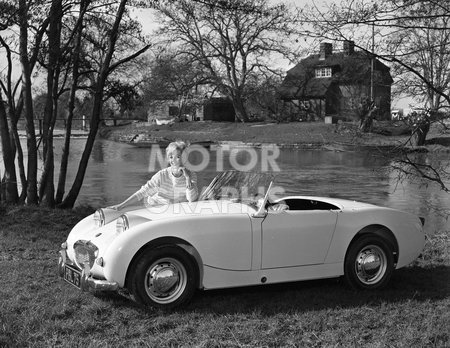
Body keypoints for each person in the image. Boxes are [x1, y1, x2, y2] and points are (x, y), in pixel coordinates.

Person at [110, 141, 198, 210]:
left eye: (178, 157)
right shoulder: (162, 175)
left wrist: (187, 179)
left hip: (174, 211)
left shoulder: (191, 175)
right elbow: (143, 192)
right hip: (156, 208)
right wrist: (121, 206)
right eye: (171, 157)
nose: (173, 161)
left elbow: (191, 199)